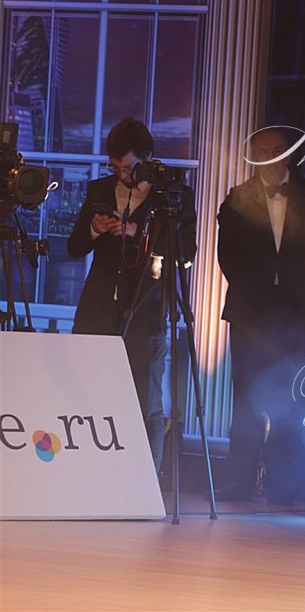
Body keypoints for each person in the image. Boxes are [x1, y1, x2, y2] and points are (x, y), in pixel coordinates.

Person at [68, 116, 197, 474]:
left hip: (145, 308)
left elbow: (185, 252)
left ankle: (144, 480)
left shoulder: (173, 195)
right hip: (97, 308)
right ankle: (87, 474)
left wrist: (137, 231)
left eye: (128, 167)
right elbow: (74, 247)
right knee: (85, 393)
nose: (122, 175)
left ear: (147, 158)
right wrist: (95, 228)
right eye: (116, 168)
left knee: (145, 397)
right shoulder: (98, 190)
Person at [216, 127, 305, 502]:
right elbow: (228, 257)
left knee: (297, 398)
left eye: (277, 150)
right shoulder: (237, 199)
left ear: (290, 153)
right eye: (262, 152)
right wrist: (260, 297)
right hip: (250, 315)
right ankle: (239, 481)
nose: (270, 158)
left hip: (300, 316)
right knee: (246, 397)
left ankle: (287, 485)